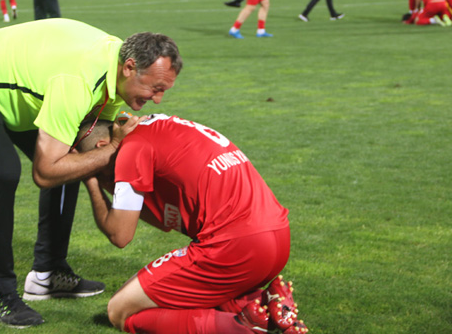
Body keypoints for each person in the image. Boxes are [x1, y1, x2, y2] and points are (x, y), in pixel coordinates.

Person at [0, 18, 183, 328]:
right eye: (155, 88)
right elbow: (45, 173)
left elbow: (86, 149)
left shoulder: (115, 74)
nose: (157, 99)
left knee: (72, 160)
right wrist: (110, 149)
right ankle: (1, 294)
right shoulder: (78, 80)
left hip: (23, 95)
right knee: (1, 173)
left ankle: (48, 274)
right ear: (129, 67)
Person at [78, 114, 308, 334]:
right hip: (276, 237)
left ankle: (243, 328)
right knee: (152, 294)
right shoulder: (157, 127)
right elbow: (166, 219)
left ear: (101, 146)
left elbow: (119, 235)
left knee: (119, 310)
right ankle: (262, 302)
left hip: (237, 247)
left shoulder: (131, 149)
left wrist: (90, 180)